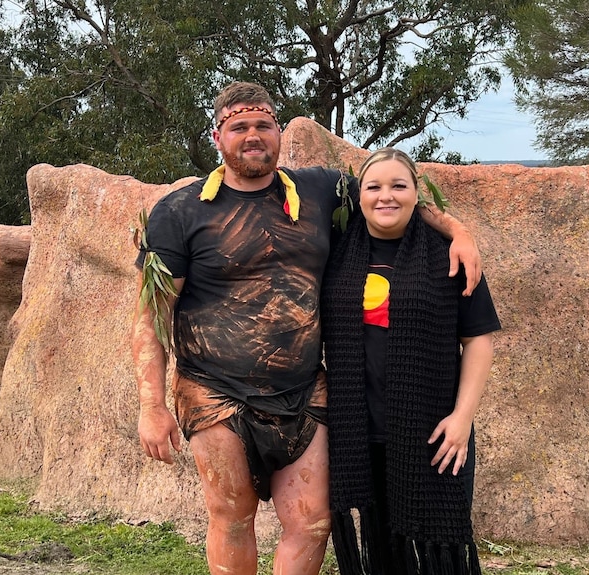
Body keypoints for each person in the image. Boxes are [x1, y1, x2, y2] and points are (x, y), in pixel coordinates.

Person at [131, 82, 482, 575]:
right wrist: (151, 405)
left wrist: (456, 229)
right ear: (218, 137)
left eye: (263, 125)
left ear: (278, 132)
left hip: (304, 391)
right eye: (239, 127)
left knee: (313, 522)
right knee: (232, 518)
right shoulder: (180, 211)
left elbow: (387, 193)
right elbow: (152, 314)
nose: (252, 136)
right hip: (214, 392)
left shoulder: (321, 190)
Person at [321, 148, 501, 575]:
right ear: (358, 196)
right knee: (383, 549)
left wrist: (462, 420)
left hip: (435, 434)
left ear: (416, 195)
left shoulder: (450, 257)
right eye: (375, 186)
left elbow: (478, 341)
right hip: (358, 435)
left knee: (436, 547)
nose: (387, 196)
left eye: (398, 186)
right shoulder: (336, 255)